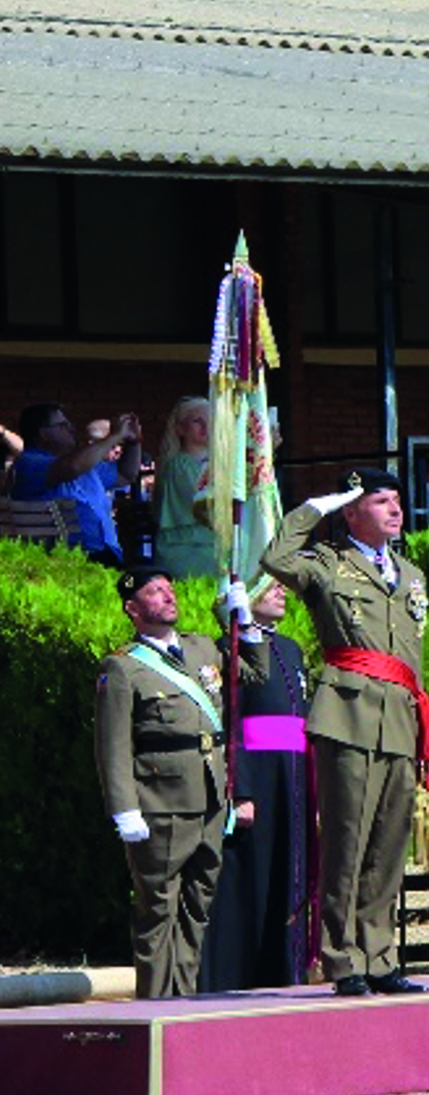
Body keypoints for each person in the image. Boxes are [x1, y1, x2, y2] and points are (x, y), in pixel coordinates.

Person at [264, 469, 429, 997]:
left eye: (397, 500)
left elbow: (412, 654)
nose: (394, 509)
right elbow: (275, 558)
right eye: (380, 501)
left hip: (399, 718)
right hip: (349, 714)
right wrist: (315, 507)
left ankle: (380, 954)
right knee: (348, 841)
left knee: (388, 845)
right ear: (352, 512)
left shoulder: (410, 574)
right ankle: (343, 959)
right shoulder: (328, 564)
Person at [95, 568, 237, 998]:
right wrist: (124, 808)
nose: (167, 595)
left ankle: (184, 997)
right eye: (154, 591)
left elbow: (252, 672)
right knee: (157, 907)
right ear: (133, 609)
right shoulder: (122, 668)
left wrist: (242, 622)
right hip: (161, 801)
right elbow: (112, 744)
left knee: (199, 904)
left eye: (169, 588)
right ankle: (154, 1003)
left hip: (211, 794)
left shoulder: (201, 648)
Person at [200, 577, 315, 991]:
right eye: (269, 588)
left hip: (294, 776)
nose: (281, 592)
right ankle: (235, 973)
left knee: (290, 874)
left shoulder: (290, 648)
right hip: (258, 777)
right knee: (250, 879)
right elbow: (230, 723)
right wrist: (240, 788)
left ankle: (286, 969)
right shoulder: (229, 650)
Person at [13, 400, 140, 566]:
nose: (71, 428)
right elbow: (71, 468)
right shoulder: (29, 462)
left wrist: (133, 442)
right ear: (43, 433)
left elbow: (125, 474)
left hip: (104, 555)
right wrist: (114, 436)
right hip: (64, 561)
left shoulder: (83, 464)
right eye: (63, 425)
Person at [151, 398, 220, 580]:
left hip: (210, 544)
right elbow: (206, 505)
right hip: (188, 548)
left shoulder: (213, 464)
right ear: (180, 429)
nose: (206, 427)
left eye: (210, 420)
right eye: (198, 421)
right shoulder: (180, 465)